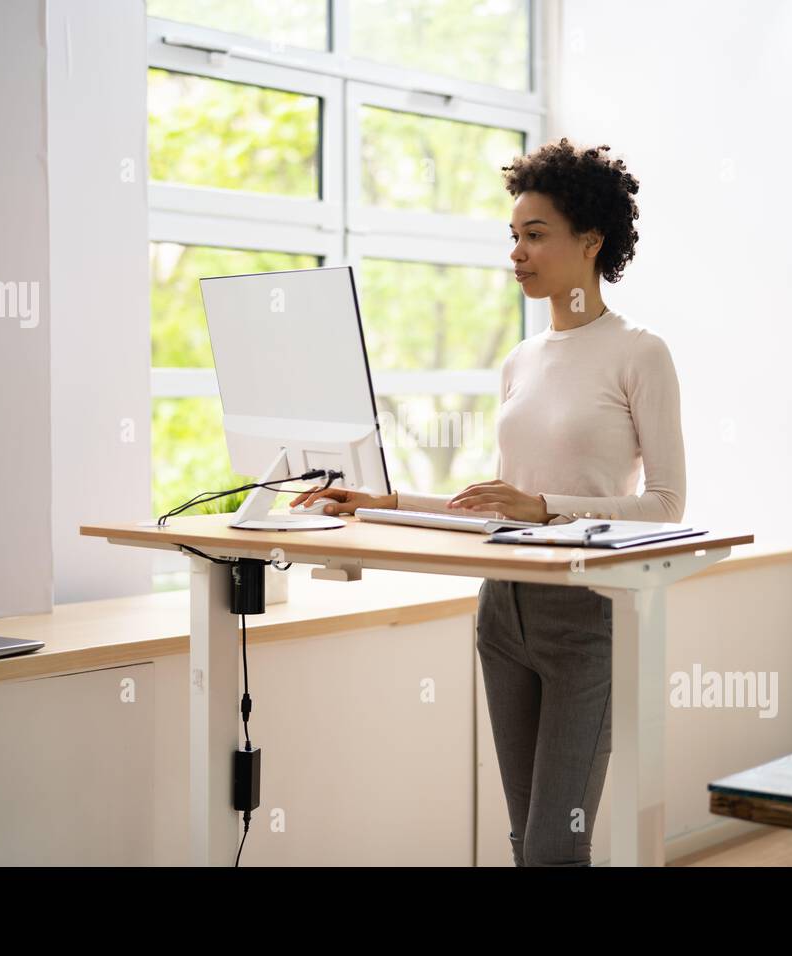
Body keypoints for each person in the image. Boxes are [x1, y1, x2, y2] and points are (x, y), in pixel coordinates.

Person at [290, 137, 685, 866]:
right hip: (501, 611)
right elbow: (496, 507)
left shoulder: (640, 352)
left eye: (536, 235)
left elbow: (664, 507)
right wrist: (380, 500)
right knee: (522, 839)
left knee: (553, 847)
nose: (517, 253)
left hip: (586, 617)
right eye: (514, 236)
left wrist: (544, 507)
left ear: (591, 240)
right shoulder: (521, 361)